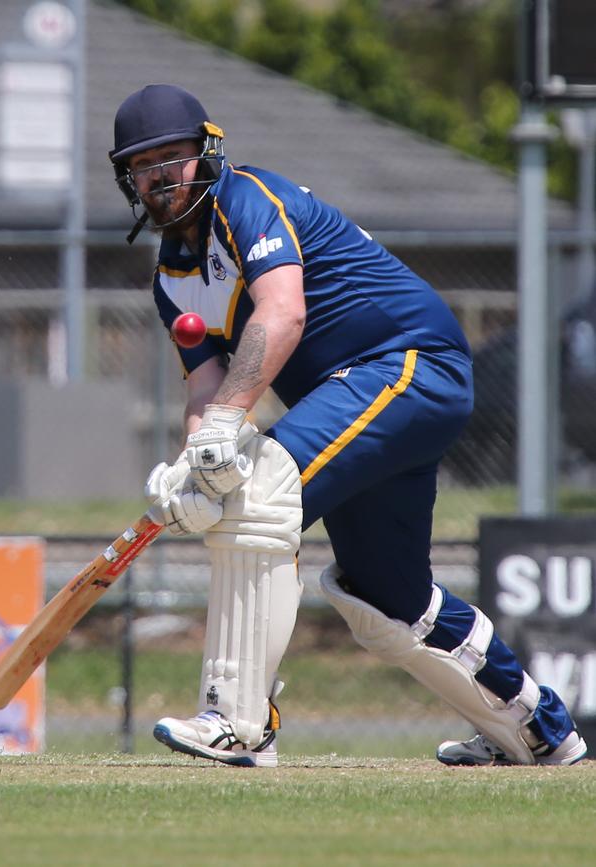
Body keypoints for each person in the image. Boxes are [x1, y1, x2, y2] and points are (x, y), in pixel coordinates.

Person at [109, 84, 587, 768]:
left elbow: (283, 312)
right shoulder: (173, 275)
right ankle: (535, 730)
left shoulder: (248, 201)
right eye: (143, 164)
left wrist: (223, 435)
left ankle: (238, 723)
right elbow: (206, 385)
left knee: (261, 491)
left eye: (173, 156)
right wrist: (192, 467)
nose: (161, 174)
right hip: (365, 393)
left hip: (409, 365)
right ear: (127, 178)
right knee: (386, 596)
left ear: (207, 153)